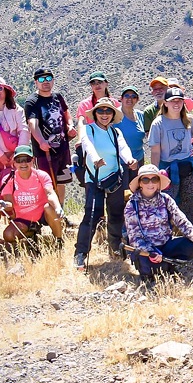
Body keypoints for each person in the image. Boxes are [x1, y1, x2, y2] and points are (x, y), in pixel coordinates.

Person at [74, 98, 137, 270]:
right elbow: (87, 145)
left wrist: (130, 159)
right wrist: (95, 159)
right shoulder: (88, 130)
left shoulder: (116, 133)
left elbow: (123, 148)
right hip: (94, 179)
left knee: (116, 214)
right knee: (92, 215)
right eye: (100, 111)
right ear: (94, 113)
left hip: (114, 178)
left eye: (108, 111)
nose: (104, 114)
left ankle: (115, 248)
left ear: (112, 115)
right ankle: (81, 254)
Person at [124, 164, 193, 283]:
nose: (150, 183)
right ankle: (160, 269)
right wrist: (151, 251)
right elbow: (134, 237)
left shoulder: (166, 199)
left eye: (154, 179)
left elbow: (182, 221)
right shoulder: (132, 205)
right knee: (155, 270)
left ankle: (168, 265)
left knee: (191, 246)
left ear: (159, 182)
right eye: (145, 179)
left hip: (166, 245)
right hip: (146, 251)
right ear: (140, 183)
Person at [148, 87, 193, 226]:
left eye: (179, 101)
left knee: (188, 205)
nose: (176, 104)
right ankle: (165, 238)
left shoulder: (188, 119)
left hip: (188, 169)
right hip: (168, 170)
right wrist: (155, 173)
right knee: (166, 205)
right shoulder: (158, 123)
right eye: (173, 101)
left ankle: (189, 239)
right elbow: (156, 151)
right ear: (165, 103)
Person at [24, 67, 76, 208]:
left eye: (48, 78)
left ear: (53, 80)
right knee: (46, 184)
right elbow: (32, 123)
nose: (45, 82)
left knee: (61, 183)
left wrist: (70, 126)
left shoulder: (58, 97)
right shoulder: (32, 102)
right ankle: (46, 214)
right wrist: (41, 141)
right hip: (44, 152)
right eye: (41, 79)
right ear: (36, 82)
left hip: (63, 149)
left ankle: (61, 213)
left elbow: (66, 113)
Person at [0, 145, 65, 246]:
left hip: (43, 214)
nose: (23, 163)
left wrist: (58, 207)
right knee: (8, 235)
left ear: (33, 160)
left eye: (27, 159)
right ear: (14, 162)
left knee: (49, 208)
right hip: (23, 218)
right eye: (19, 160)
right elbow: (10, 204)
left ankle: (58, 240)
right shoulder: (8, 179)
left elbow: (50, 193)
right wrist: (3, 204)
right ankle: (31, 232)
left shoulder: (41, 175)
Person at [114, 86, 147, 170]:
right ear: (121, 98)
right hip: (121, 162)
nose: (130, 99)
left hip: (139, 159)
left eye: (133, 96)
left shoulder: (141, 115)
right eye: (127, 96)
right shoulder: (114, 115)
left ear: (137, 100)